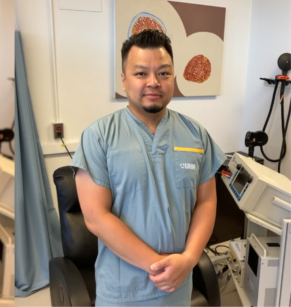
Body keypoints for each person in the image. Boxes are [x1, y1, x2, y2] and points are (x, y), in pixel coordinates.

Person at [71, 29, 226, 306]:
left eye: (163, 73)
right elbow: (96, 216)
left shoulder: (196, 134)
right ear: (124, 80)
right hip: (124, 290)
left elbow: (206, 202)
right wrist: (159, 267)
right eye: (141, 73)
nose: (154, 82)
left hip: (179, 285)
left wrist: (189, 260)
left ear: (173, 77)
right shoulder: (98, 136)